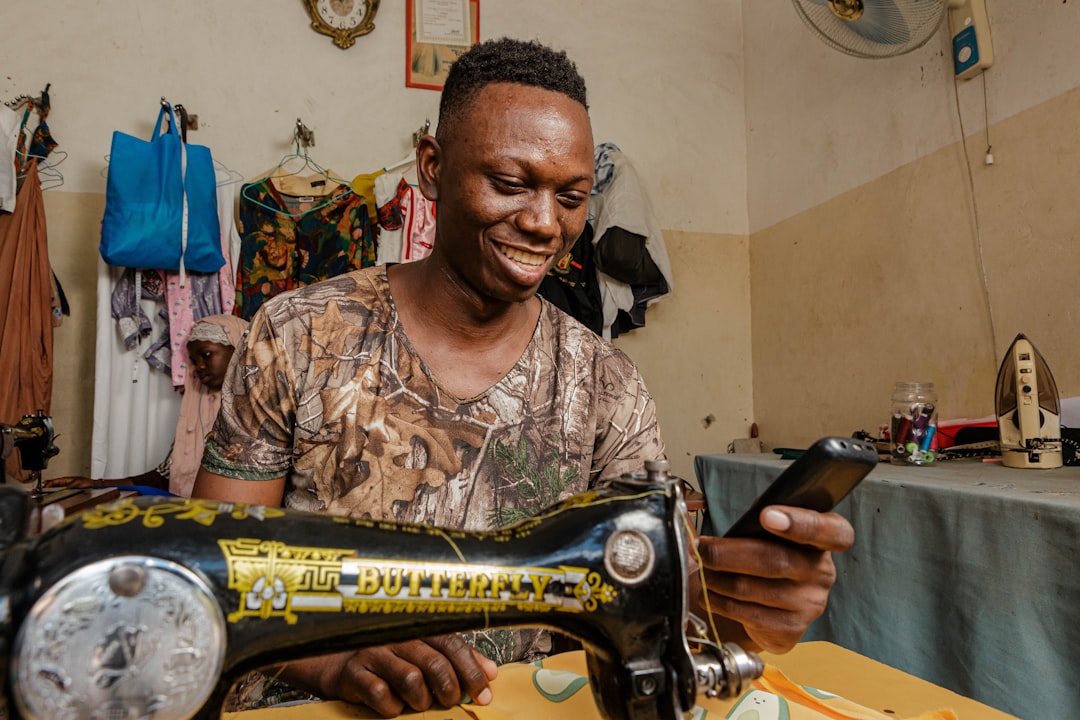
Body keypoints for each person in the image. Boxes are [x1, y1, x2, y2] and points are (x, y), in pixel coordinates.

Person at [193, 38, 855, 718]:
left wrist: (748, 605)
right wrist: (333, 659)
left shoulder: (605, 383)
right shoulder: (297, 333)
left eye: (570, 197)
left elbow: (658, 597)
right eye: (510, 184)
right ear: (432, 167)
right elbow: (207, 576)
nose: (544, 224)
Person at [48, 314, 248, 497]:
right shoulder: (196, 411)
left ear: (238, 349)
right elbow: (164, 476)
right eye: (194, 361)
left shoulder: (259, 411)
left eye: (206, 355)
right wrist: (96, 484)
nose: (199, 367)